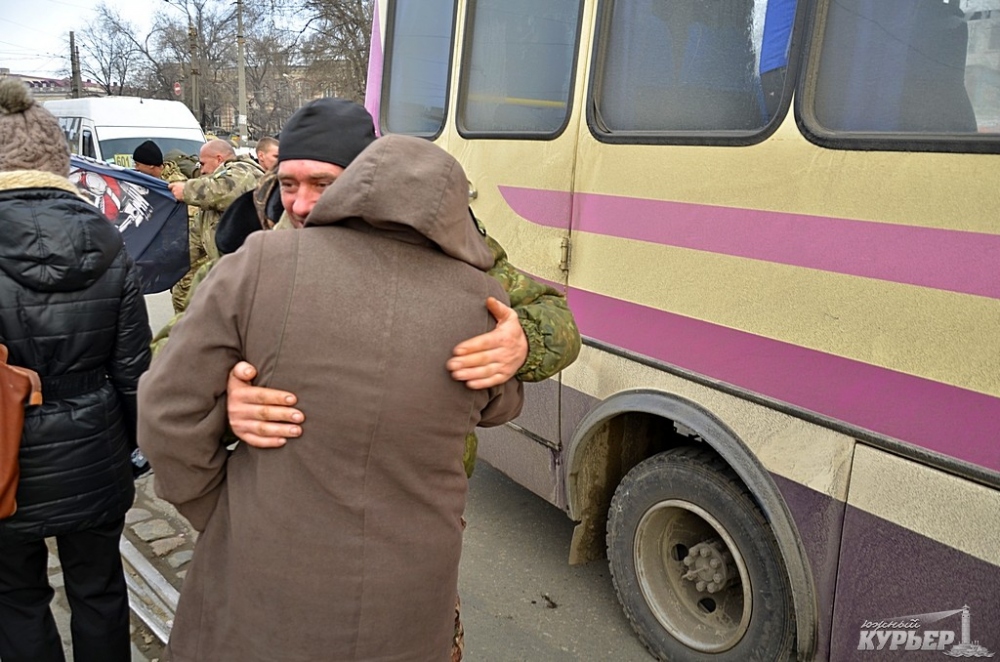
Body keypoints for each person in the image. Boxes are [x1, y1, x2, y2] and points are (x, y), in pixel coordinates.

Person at [138, 134, 524, 661]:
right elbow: (501, 406)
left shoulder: (261, 263)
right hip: (411, 586)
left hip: (265, 569)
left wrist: (218, 509)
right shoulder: (482, 299)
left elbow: (165, 410)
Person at [0, 78, 152, 662]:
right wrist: (136, 446)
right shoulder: (108, 237)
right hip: (95, 445)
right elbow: (134, 367)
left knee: (15, 598)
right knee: (99, 589)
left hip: (4, 452)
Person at [167, 139, 263, 311]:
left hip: (251, 276)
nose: (202, 170)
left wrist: (186, 190)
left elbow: (227, 190)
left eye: (203, 164)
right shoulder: (210, 205)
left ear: (219, 159)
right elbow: (193, 241)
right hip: (228, 274)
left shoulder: (243, 170)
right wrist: (166, 262)